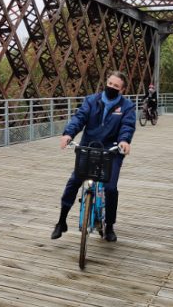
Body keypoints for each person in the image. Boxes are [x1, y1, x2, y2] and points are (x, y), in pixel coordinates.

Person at [51, 71, 136, 242]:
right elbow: (79, 118)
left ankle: (110, 226)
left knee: (110, 188)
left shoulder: (127, 106)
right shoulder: (91, 100)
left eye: (116, 86)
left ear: (122, 89)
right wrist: (68, 134)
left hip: (112, 150)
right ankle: (61, 221)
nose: (111, 87)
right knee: (74, 181)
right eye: (110, 83)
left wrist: (124, 141)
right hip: (89, 147)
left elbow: (127, 125)